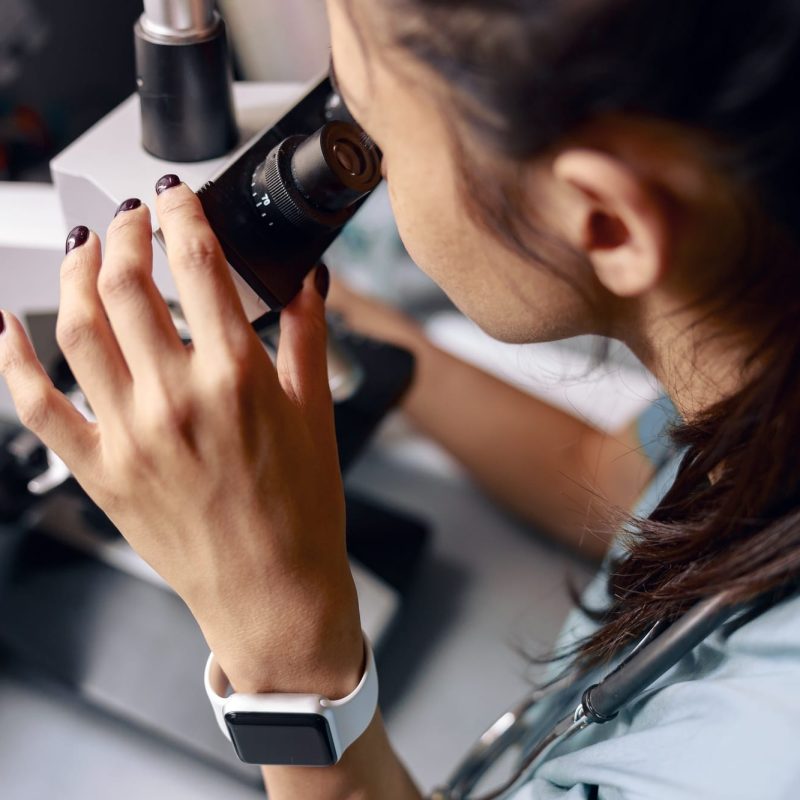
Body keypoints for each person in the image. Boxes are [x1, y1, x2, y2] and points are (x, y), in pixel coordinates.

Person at [2, 0, 799, 796]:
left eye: (374, 125)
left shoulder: (747, 758)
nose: (359, 157)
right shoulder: (758, 357)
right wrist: (341, 314)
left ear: (606, 224)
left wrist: (283, 660)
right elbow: (621, 474)